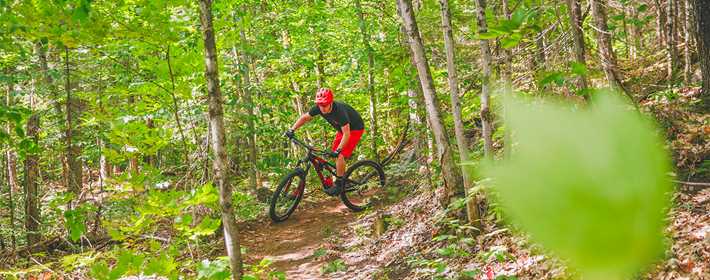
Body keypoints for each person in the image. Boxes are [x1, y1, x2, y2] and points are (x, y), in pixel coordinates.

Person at [286, 88, 365, 196]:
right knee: (333, 154)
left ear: (331, 102)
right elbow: (305, 118)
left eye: (325, 105)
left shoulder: (339, 112)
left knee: (339, 154)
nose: (322, 108)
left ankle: (340, 183)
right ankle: (338, 176)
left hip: (354, 129)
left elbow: (347, 134)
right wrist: (292, 129)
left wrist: (338, 151)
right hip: (341, 130)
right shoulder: (319, 108)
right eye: (320, 105)